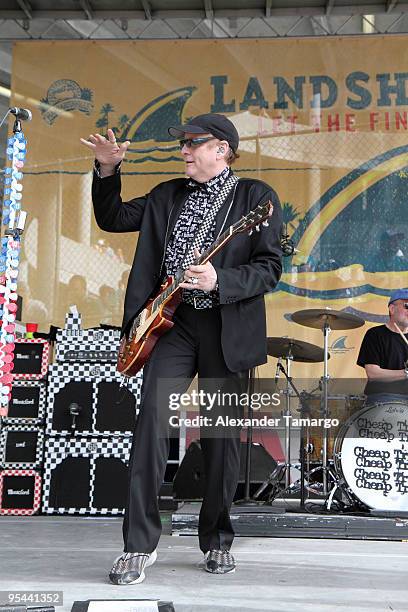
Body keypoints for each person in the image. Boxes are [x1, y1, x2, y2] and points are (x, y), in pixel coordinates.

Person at [80, 113, 283, 584]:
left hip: (224, 326)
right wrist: (107, 170)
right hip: (169, 325)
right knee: (151, 423)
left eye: (194, 143)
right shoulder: (167, 194)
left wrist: (221, 279)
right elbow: (112, 218)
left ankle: (216, 539)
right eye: (183, 144)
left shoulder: (256, 197)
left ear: (223, 149)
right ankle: (138, 545)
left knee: (220, 440)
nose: (185, 150)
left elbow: (269, 268)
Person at [357, 288, 408, 399]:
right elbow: (373, 374)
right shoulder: (375, 334)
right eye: (406, 306)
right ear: (392, 309)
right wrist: (406, 373)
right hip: (384, 398)